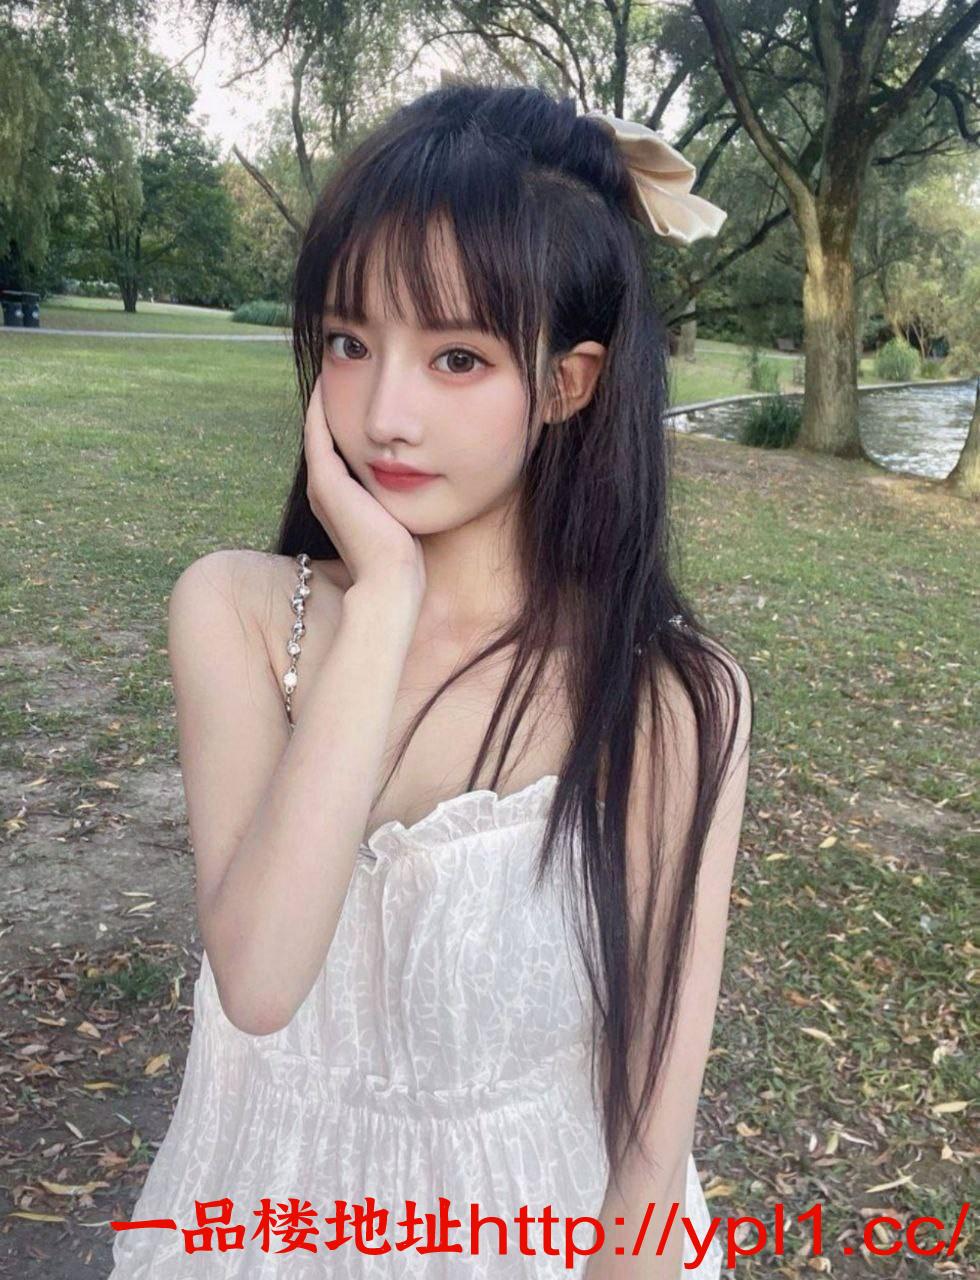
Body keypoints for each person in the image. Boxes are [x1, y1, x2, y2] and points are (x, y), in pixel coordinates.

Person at [108, 81, 751, 1278]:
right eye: (349, 342)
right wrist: (385, 598)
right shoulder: (237, 612)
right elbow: (259, 978)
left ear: (565, 383)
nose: (384, 414)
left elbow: (650, 1145)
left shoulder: (669, 695)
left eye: (457, 356)